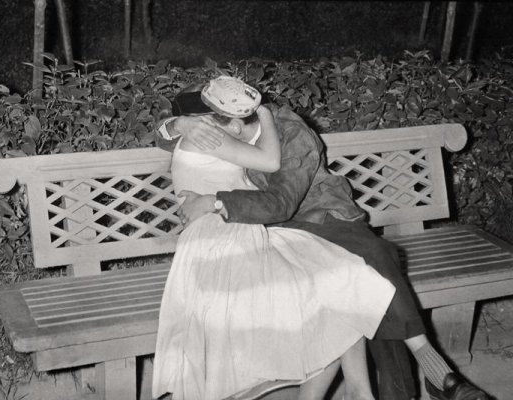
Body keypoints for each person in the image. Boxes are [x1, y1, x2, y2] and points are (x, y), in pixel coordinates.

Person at [155, 77, 491, 400]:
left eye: (211, 124)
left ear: (234, 121)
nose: (209, 130)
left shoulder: (291, 132)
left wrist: (216, 201)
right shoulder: (217, 126)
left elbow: (281, 202)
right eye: (203, 124)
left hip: (320, 217)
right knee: (360, 274)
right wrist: (179, 125)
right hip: (277, 230)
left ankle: (425, 375)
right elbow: (169, 136)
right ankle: (426, 378)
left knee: (372, 260)